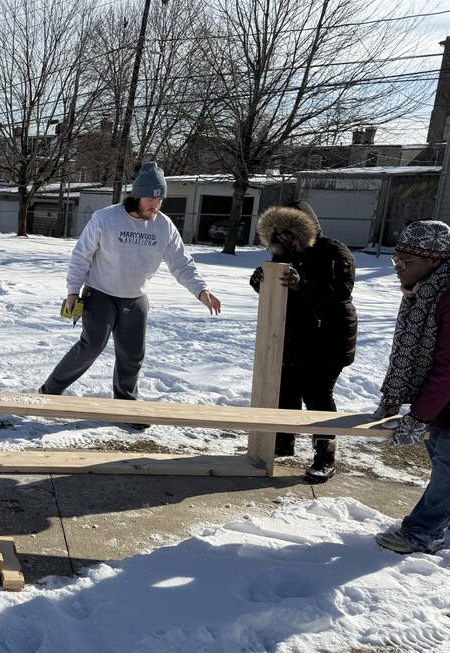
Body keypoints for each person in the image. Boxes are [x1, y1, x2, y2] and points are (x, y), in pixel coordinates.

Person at [39, 162, 221, 428]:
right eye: (151, 197)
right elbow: (81, 256)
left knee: (133, 354)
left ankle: (125, 404)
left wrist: (201, 290)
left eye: (160, 198)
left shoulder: (164, 226)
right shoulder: (106, 218)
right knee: (91, 346)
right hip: (100, 293)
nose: (155, 204)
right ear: (137, 195)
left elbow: (181, 263)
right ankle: (49, 392)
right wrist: (72, 292)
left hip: (135, 298)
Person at [248, 201, 357, 483]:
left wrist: (302, 284)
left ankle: (325, 455)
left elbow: (342, 291)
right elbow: (275, 290)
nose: (283, 238)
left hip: (328, 338)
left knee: (318, 396)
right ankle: (284, 442)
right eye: (278, 232)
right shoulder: (284, 254)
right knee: (285, 389)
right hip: (294, 336)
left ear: (303, 228)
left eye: (288, 231)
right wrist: (260, 280)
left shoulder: (334, 251)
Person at [374, 220, 450, 554]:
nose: (396, 268)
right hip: (443, 406)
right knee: (441, 461)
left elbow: (448, 370)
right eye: (395, 259)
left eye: (405, 261)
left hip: (444, 400)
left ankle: (422, 532)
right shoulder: (425, 293)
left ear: (433, 260)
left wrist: (419, 416)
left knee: (447, 474)